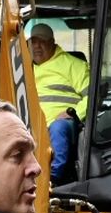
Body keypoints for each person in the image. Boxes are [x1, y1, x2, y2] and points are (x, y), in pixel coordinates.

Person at [26, 22, 89, 182]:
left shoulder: (74, 65)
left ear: (52, 43)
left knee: (58, 127)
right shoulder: (24, 69)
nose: (37, 46)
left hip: (63, 122)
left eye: (42, 41)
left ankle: (51, 178)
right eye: (33, 41)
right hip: (31, 123)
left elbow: (91, 98)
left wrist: (71, 114)